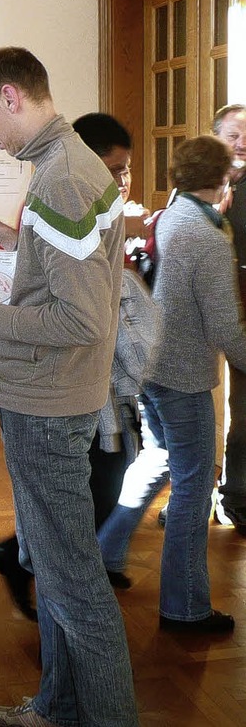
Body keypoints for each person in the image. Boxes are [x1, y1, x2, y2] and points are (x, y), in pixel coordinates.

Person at [0, 48, 138, 727]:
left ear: (10, 95)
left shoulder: (59, 178)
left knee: (74, 581)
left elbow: (82, 316)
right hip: (62, 395)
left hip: (51, 400)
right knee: (56, 572)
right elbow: (76, 268)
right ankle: (57, 707)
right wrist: (5, 234)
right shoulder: (75, 162)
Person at [0, 112, 148, 613]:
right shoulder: (67, 186)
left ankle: (41, 570)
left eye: (125, 171)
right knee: (77, 526)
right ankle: (37, 567)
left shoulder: (70, 184)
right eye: (116, 169)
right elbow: (80, 316)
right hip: (75, 389)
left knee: (79, 511)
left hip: (89, 386)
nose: (122, 181)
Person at [97, 135, 246, 633]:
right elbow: (226, 327)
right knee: (193, 489)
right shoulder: (206, 236)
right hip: (182, 376)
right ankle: (185, 608)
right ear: (222, 178)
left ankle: (106, 552)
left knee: (158, 459)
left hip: (151, 367)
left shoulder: (172, 214)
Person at [213, 104, 246, 532]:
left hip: (244, 309)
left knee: (244, 411)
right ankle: (192, 494)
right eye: (233, 135)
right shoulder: (193, 186)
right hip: (199, 315)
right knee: (200, 411)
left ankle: (236, 496)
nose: (241, 144)